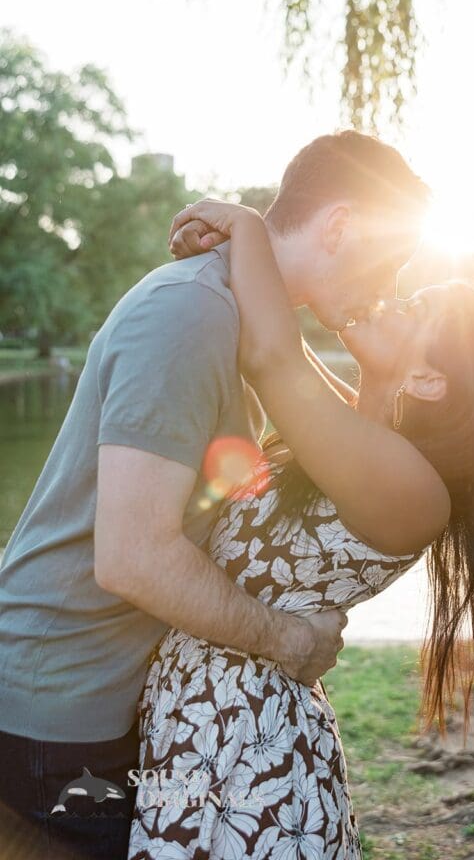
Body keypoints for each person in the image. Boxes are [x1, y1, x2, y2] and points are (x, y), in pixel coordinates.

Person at [0, 131, 429, 860]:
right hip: (60, 715)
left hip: (107, 701)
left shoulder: (243, 322)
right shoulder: (190, 313)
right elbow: (133, 557)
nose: (387, 286)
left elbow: (340, 467)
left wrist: (382, 381)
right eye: (391, 260)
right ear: (339, 227)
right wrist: (289, 639)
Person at [125, 199, 474, 858]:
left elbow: (272, 357)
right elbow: (289, 350)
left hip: (247, 743)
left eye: (411, 308)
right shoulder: (363, 431)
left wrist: (247, 225)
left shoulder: (413, 487)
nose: (388, 300)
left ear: (427, 380)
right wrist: (319, 285)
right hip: (207, 715)